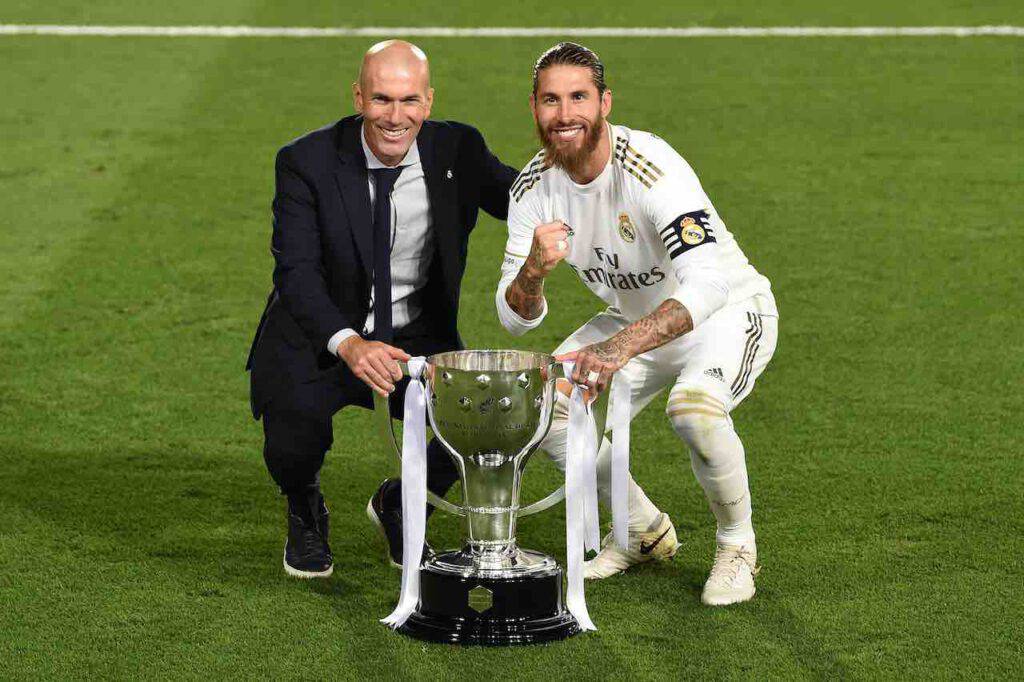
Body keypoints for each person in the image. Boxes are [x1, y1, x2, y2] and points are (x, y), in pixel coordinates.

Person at [496, 43, 779, 606]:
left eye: (579, 97)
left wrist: (619, 347)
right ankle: (639, 529)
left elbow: (709, 283)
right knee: (540, 401)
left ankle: (737, 545)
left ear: (604, 102)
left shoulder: (648, 167)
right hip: (635, 322)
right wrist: (532, 272)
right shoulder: (532, 189)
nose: (565, 113)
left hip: (724, 315)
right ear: (534, 108)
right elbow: (514, 320)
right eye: (551, 100)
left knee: (693, 410)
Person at [247, 40, 517, 578]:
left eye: (409, 100)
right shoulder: (305, 162)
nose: (396, 117)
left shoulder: (457, 150)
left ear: (429, 101)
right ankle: (305, 507)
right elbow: (295, 272)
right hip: (320, 332)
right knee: (292, 445)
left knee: (481, 426)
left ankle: (399, 503)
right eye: (381, 100)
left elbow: (524, 197)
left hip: (415, 335)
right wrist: (348, 342)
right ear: (358, 97)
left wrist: (590, 185)